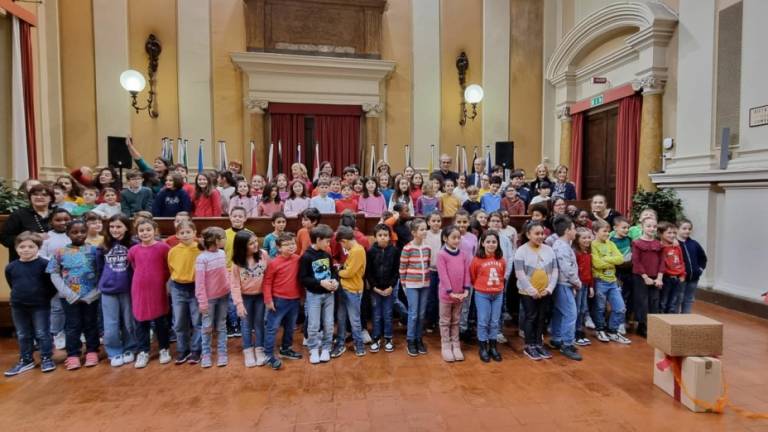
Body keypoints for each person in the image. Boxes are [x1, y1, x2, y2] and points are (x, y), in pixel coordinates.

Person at [47, 219, 101, 370]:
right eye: (74, 232)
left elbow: (101, 273)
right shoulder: (60, 252)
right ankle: (73, 354)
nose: (79, 235)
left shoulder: (94, 250)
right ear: (68, 233)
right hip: (69, 297)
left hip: (90, 296)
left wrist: (93, 294)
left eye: (82, 231)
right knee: (72, 326)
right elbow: (54, 274)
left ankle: (92, 351)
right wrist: (68, 293)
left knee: (91, 324)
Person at [4, 232, 58, 376]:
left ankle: (46, 358)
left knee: (42, 333)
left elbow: (52, 286)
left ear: (38, 247)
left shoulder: (45, 264)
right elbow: (12, 283)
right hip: (18, 305)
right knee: (22, 334)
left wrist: (43, 298)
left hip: (40, 305)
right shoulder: (11, 267)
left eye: (30, 246)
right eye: (22, 246)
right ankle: (26, 360)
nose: (26, 249)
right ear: (16, 248)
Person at [127, 218, 172, 368]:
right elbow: (134, 265)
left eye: (148, 230)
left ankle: (164, 348)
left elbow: (168, 267)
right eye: (141, 230)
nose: (145, 233)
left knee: (160, 321)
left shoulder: (163, 248)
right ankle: (143, 351)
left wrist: (163, 282)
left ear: (155, 231)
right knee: (141, 321)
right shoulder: (133, 250)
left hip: (158, 288)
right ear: (137, 233)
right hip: (139, 289)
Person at [97, 214, 139, 367]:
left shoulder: (134, 245)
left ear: (127, 227)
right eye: (112, 226)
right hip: (108, 290)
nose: (115, 230)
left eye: (119, 226)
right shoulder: (103, 246)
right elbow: (99, 268)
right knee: (110, 325)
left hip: (128, 289)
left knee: (129, 322)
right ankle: (114, 351)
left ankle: (130, 347)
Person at [514, 221, 558, 361]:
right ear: (528, 234)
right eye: (536, 233)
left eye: (542, 233)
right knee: (531, 317)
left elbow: (555, 270)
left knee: (541, 318)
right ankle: (529, 345)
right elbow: (519, 273)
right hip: (528, 293)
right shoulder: (521, 251)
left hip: (545, 291)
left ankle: (539, 343)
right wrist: (532, 290)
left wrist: (549, 288)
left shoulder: (549, 250)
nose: (540, 236)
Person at [262, 233, 303, 370]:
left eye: (292, 243)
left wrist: (302, 296)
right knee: (272, 327)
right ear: (278, 248)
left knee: (291, 327)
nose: (291, 246)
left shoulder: (298, 259)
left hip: (294, 300)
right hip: (278, 300)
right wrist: (268, 300)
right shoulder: (274, 263)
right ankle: (268, 354)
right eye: (286, 244)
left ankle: (286, 348)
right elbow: (267, 282)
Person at [229, 231, 270, 367]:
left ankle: (259, 349)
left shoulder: (263, 255)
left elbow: (269, 275)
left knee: (259, 323)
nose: (255, 245)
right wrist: (239, 304)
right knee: (246, 325)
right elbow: (234, 285)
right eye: (251, 243)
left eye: (255, 241)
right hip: (245, 297)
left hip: (260, 296)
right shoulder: (237, 263)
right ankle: (248, 350)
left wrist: (269, 296)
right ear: (242, 247)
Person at [298, 225, 337, 364]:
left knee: (329, 323)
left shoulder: (326, 254)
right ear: (318, 239)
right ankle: (313, 349)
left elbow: (332, 271)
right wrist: (321, 283)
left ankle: (326, 347)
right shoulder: (306, 257)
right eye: (327, 241)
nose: (328, 244)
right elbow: (303, 278)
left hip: (329, 295)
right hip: (314, 295)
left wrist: (334, 281)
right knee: (313, 324)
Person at [167, 220, 202, 365]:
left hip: (196, 287)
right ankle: (183, 349)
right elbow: (171, 270)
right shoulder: (173, 251)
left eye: (188, 232)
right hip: (178, 288)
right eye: (182, 233)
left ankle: (196, 349)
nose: (185, 235)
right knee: (180, 321)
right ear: (177, 235)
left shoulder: (200, 249)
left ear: (195, 233)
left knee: (197, 320)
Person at [194, 227, 230, 368]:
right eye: (223, 238)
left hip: (223, 296)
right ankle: (206, 353)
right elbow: (200, 283)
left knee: (221, 325)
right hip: (209, 300)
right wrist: (202, 302)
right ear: (216, 240)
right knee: (207, 327)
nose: (225, 240)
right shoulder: (202, 258)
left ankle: (222, 352)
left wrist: (229, 287)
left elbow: (224, 274)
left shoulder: (222, 253)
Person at [591, 220, 631, 344]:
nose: (607, 233)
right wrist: (611, 261)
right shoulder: (593, 245)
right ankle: (600, 329)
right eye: (604, 231)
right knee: (600, 308)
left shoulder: (611, 243)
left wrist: (606, 259)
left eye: (608, 231)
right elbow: (596, 263)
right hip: (600, 281)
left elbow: (620, 259)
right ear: (595, 232)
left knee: (620, 308)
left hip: (612, 281)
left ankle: (613, 331)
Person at [549, 216, 582, 361]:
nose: (575, 232)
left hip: (561, 284)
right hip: (563, 284)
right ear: (567, 230)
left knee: (559, 312)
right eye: (574, 229)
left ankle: (557, 338)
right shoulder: (561, 246)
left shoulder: (562, 244)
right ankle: (567, 344)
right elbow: (567, 269)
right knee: (570, 314)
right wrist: (577, 282)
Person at [470, 230, 506, 363]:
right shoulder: (477, 260)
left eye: (494, 242)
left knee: (495, 321)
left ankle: (493, 346)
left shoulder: (501, 260)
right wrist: (481, 287)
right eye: (488, 242)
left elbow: (502, 276)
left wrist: (498, 289)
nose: (491, 244)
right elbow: (473, 276)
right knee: (483, 321)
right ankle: (483, 347)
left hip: (498, 294)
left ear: (498, 243)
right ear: (482, 243)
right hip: (482, 294)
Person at [435, 225, 470, 362]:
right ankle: (446, 346)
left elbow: (467, 272)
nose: (456, 240)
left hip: (460, 294)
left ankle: (456, 345)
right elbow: (443, 275)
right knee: (445, 321)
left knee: (456, 321)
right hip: (446, 295)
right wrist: (451, 292)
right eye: (453, 237)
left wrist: (466, 289)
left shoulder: (463, 254)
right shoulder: (441, 254)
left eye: (458, 238)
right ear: (445, 238)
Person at [332, 225, 368, 357]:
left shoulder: (357, 250)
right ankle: (340, 344)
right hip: (346, 288)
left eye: (342, 244)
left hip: (353, 290)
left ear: (344, 241)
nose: (343, 248)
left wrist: (338, 271)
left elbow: (349, 272)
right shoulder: (354, 249)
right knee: (341, 318)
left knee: (354, 320)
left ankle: (359, 346)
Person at [399, 218, 431, 357]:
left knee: (421, 314)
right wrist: (404, 286)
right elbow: (402, 268)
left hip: (425, 284)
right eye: (422, 229)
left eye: (425, 229)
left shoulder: (427, 247)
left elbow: (428, 264)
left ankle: (419, 338)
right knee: (413, 314)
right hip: (412, 285)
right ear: (414, 232)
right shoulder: (407, 248)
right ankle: (411, 340)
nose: (425, 232)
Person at [365, 224, 399, 354]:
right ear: (375, 237)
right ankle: (376, 338)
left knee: (388, 314)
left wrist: (391, 286)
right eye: (380, 235)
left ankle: (388, 338)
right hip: (376, 290)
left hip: (389, 289)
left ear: (389, 237)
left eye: (385, 235)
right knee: (377, 315)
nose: (383, 238)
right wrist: (374, 287)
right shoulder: (371, 252)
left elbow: (396, 272)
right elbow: (369, 272)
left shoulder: (394, 251)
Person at [1, 183, 53, 261]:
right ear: (30, 197)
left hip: (54, 263)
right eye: (35, 194)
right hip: (24, 263)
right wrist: (31, 237)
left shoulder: (58, 213)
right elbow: (5, 238)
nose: (39, 197)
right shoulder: (18, 215)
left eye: (44, 195)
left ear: (51, 198)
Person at [631, 217, 663, 337]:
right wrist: (645, 277)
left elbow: (662, 261)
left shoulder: (658, 244)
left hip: (655, 276)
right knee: (642, 301)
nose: (652, 229)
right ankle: (642, 326)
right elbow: (636, 261)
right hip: (641, 277)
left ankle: (652, 325)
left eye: (654, 227)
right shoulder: (637, 243)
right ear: (642, 227)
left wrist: (659, 277)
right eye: (649, 226)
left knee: (654, 301)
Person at [677, 219, 707, 314]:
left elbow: (703, 258)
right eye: (684, 228)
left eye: (689, 229)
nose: (687, 231)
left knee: (689, 299)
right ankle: (675, 321)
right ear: (677, 229)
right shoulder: (675, 244)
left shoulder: (694, 244)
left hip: (694, 278)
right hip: (680, 278)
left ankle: (686, 319)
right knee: (678, 299)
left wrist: (700, 270)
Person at [609, 216, 633, 334]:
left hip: (628, 273)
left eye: (627, 228)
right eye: (623, 228)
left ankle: (623, 321)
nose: (626, 230)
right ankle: (617, 323)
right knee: (619, 299)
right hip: (617, 274)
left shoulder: (629, 240)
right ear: (615, 228)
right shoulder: (611, 242)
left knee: (627, 297)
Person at [658, 222, 686, 314]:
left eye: (674, 233)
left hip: (677, 279)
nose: (672, 235)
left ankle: (670, 324)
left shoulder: (677, 247)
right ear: (661, 234)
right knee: (663, 302)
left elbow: (681, 261)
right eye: (669, 233)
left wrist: (682, 274)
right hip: (666, 278)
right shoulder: (660, 247)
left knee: (673, 303)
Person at [573, 228, 594, 346]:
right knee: (577, 309)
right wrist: (574, 286)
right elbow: (574, 271)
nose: (587, 240)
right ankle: (576, 332)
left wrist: (591, 286)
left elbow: (590, 271)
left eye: (588, 237)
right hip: (578, 285)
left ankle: (580, 330)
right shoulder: (576, 254)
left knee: (583, 309)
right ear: (577, 240)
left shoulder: (588, 253)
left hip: (586, 285)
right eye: (584, 238)